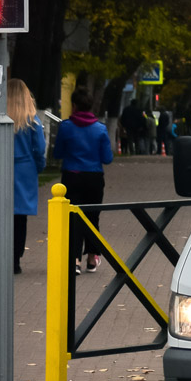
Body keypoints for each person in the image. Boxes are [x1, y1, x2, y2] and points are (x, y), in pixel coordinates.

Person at [53, 88, 114, 275]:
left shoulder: (66, 127)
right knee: (92, 217)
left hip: (71, 176)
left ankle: (74, 260)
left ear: (74, 106)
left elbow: (57, 154)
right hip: (94, 177)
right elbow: (108, 158)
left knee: (73, 219)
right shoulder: (101, 129)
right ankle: (92, 258)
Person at [8, 79, 45, 275]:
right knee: (20, 217)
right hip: (25, 170)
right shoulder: (31, 120)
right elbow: (39, 149)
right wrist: (39, 167)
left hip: (3, 169)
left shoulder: (0, 118)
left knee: (2, 215)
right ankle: (16, 259)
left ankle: (2, 256)